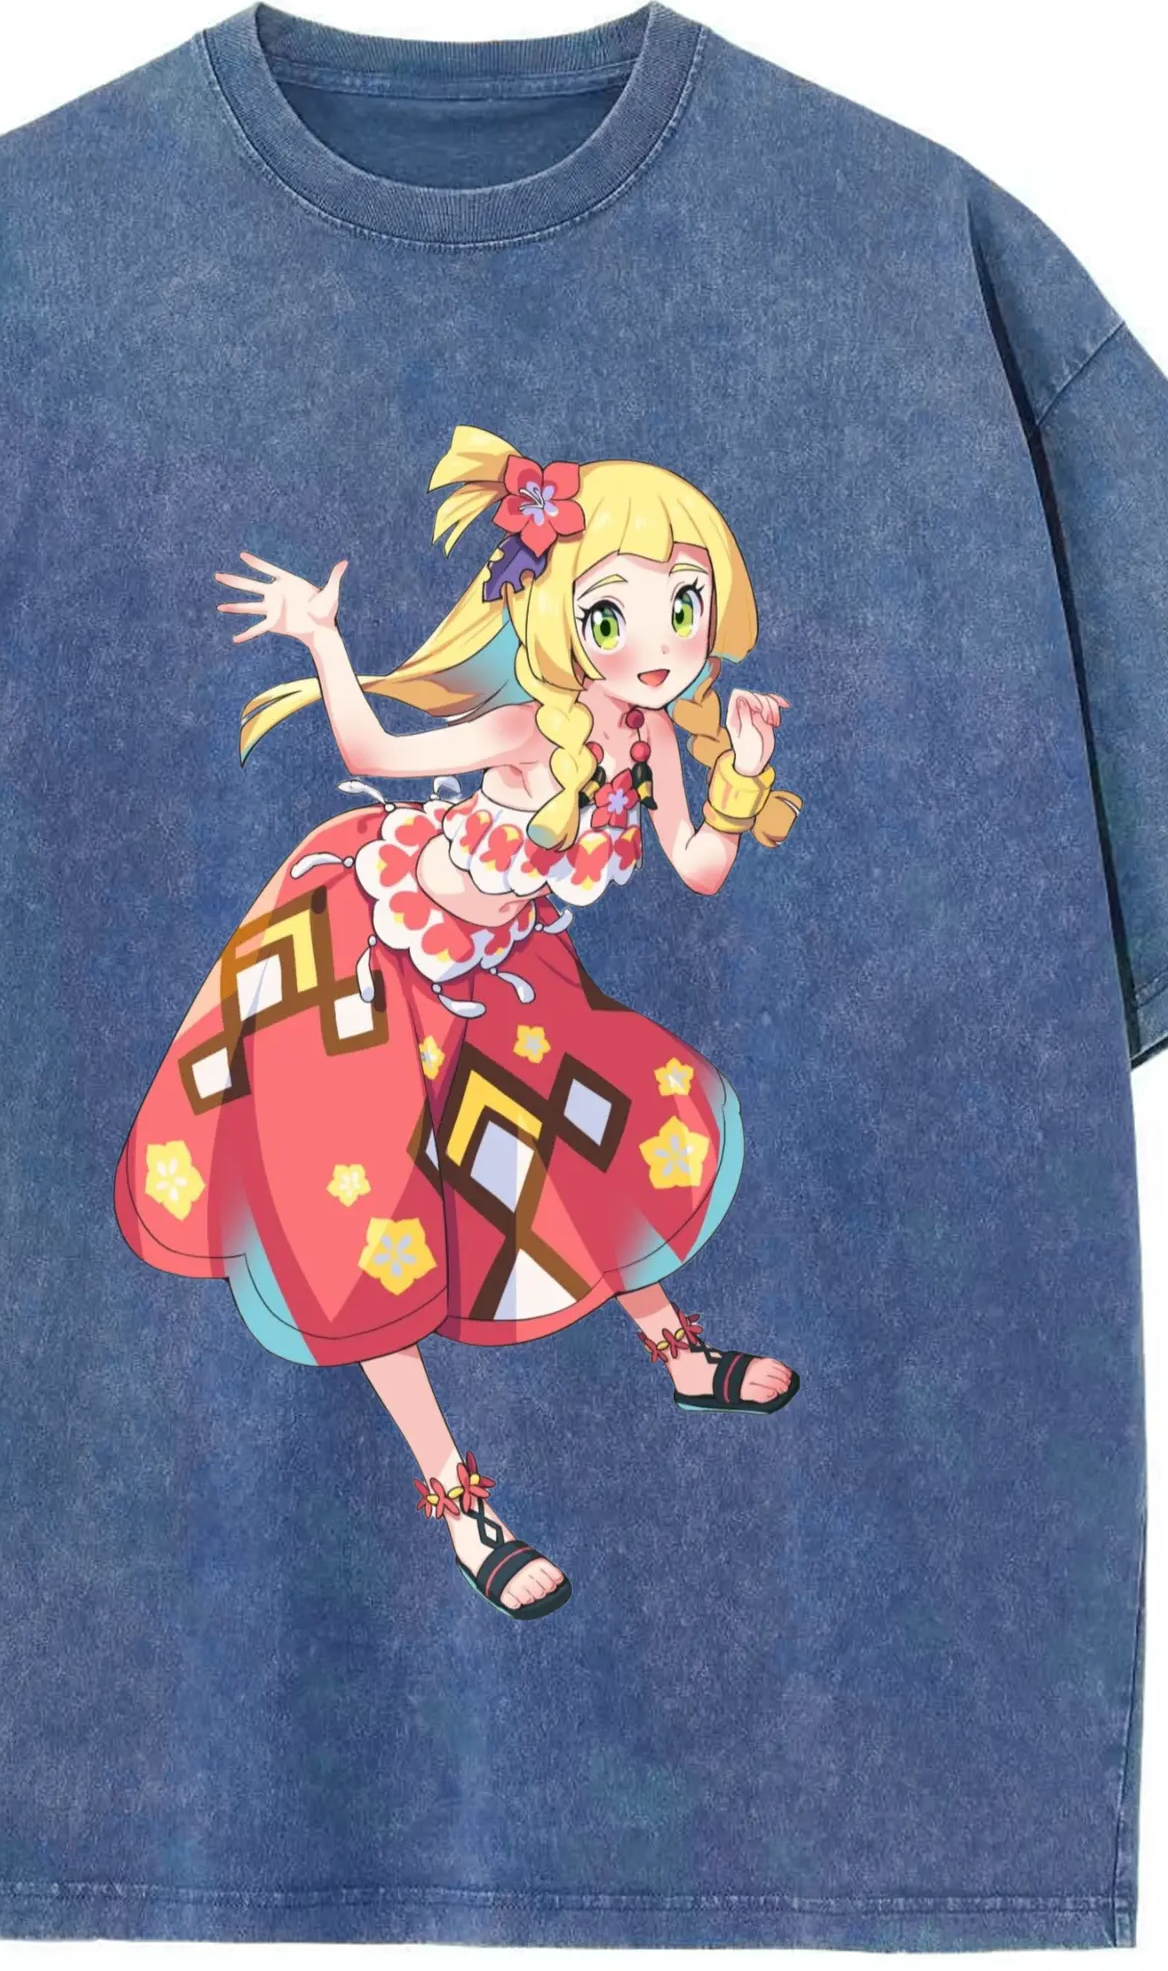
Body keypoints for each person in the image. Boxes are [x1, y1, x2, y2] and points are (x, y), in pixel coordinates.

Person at [114, 427, 805, 1618]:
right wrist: (323, 639)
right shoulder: (527, 725)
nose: (659, 645)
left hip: (498, 970)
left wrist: (741, 770)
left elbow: (696, 865)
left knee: (592, 1137)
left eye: (683, 606)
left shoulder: (646, 739)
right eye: (614, 614)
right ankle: (456, 1500)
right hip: (367, 963)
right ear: (556, 617)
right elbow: (370, 749)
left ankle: (680, 1354)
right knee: (363, 1220)